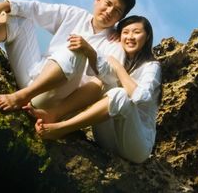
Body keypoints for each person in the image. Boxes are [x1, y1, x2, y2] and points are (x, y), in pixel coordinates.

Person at [0, 0, 136, 113]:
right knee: (17, 17)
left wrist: (89, 52)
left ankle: (20, 97)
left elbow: (110, 80)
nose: (109, 11)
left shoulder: (115, 44)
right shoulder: (75, 14)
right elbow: (37, 10)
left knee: (75, 50)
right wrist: (4, 4)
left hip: (51, 98)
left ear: (120, 18)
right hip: (32, 73)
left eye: (117, 11)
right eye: (108, 3)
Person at [26, 15, 161, 164]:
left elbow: (140, 96)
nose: (130, 36)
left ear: (147, 36)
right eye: (125, 32)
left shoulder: (152, 66)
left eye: (136, 32)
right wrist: (89, 51)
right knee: (103, 80)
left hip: (136, 147)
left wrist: (118, 68)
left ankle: (62, 128)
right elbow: (101, 70)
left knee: (120, 94)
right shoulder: (119, 56)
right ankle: (55, 113)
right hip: (107, 140)